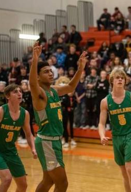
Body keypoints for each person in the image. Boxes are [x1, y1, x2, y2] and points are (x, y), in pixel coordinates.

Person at [29, 42, 87, 192]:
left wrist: (80, 68)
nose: (50, 73)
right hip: (47, 141)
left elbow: (70, 87)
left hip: (55, 141)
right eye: (45, 71)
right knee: (62, 183)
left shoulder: (53, 90)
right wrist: (35, 59)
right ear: (38, 76)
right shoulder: (39, 94)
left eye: (50, 70)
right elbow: (32, 84)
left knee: (48, 181)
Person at [98, 68, 131, 192]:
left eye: (122, 78)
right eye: (117, 77)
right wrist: (102, 135)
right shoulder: (105, 102)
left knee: (130, 168)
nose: (120, 79)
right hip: (117, 137)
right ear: (112, 81)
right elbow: (101, 123)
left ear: (125, 81)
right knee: (124, 172)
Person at [0, 84, 36, 192]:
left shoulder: (25, 114)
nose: (19, 93)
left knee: (23, 185)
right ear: (7, 96)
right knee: (7, 179)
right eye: (15, 92)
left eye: (20, 91)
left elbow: (28, 134)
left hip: (11, 151)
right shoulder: (1, 111)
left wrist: (33, 148)